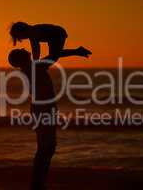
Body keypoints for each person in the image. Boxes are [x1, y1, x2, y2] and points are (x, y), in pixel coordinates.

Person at [8, 48, 89, 190]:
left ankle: (38, 182)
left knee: (45, 147)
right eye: (21, 50)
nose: (24, 48)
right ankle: (38, 183)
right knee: (47, 148)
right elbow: (54, 55)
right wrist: (76, 51)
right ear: (21, 58)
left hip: (42, 108)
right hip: (43, 109)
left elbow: (53, 55)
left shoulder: (30, 68)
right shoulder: (34, 67)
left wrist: (75, 51)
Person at [10, 22, 92, 62]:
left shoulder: (32, 33)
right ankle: (78, 51)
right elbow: (36, 48)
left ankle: (78, 51)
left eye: (20, 37)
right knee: (55, 55)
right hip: (53, 36)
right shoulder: (32, 31)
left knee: (54, 55)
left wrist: (35, 62)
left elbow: (36, 48)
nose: (22, 39)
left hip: (57, 33)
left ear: (22, 32)